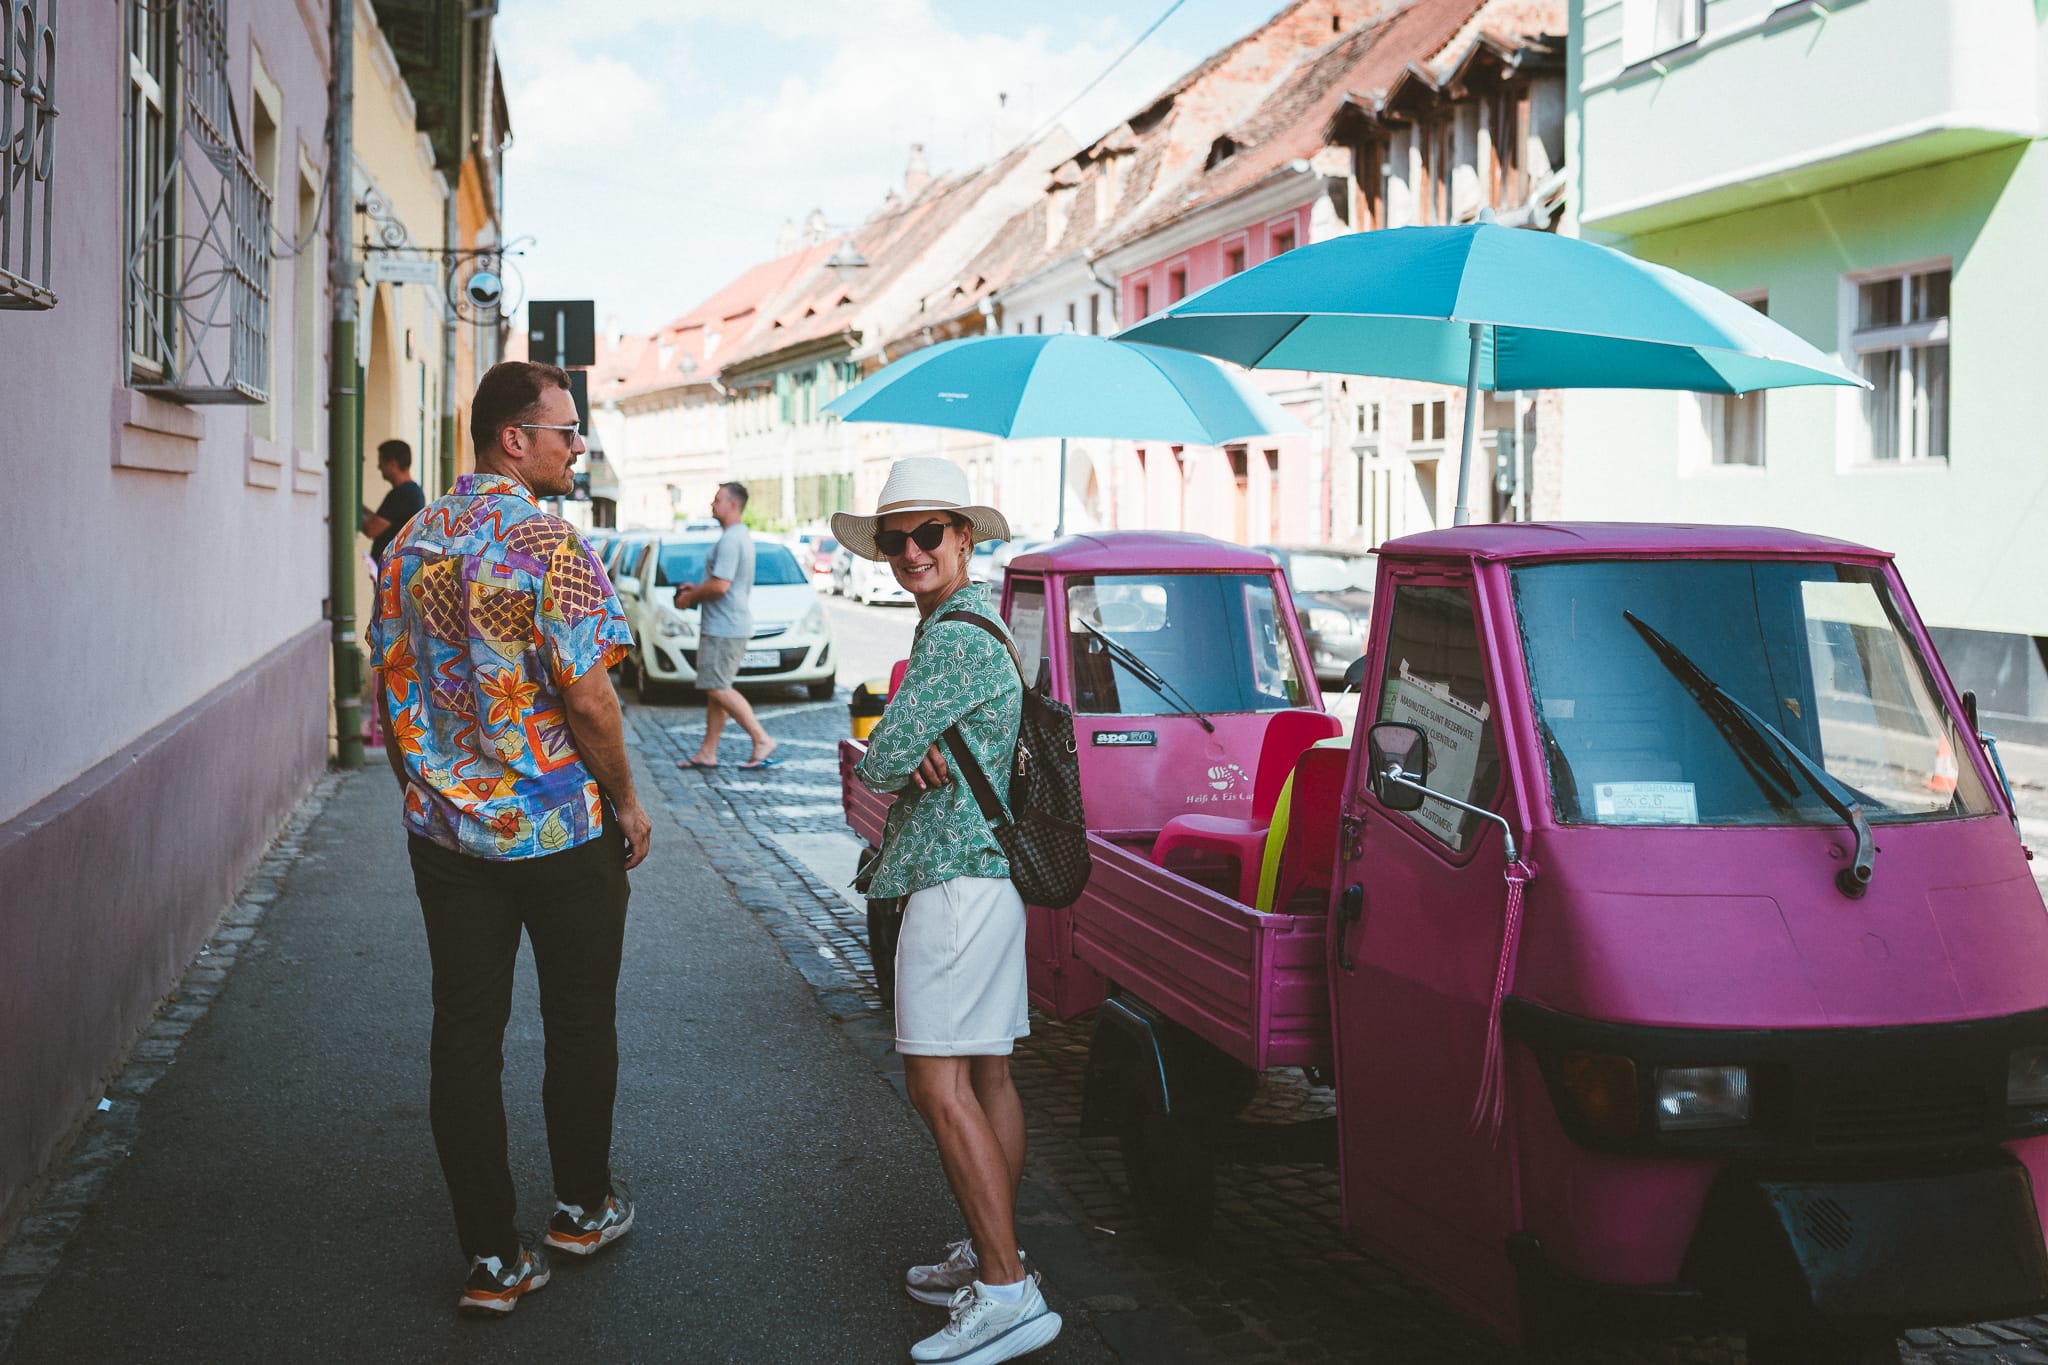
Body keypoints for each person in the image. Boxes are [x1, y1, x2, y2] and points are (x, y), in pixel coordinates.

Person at [369, 360, 652, 1315]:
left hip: (449, 838)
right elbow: (591, 698)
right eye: (567, 431)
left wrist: (428, 789)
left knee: (463, 1037)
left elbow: (391, 688)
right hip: (560, 830)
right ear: (514, 439)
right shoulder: (548, 543)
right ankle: (580, 1209)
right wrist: (627, 802)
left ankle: (491, 1260)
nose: (578, 447)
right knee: (578, 1022)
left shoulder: (408, 542)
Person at [836, 458, 1062, 1365]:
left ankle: (1007, 1292)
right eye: (896, 539)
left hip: (952, 882)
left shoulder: (953, 638)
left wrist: (903, 740)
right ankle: (990, 1248)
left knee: (937, 1083)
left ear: (965, 537)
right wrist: (911, 739)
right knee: (988, 1075)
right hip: (985, 879)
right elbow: (907, 747)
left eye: (929, 533)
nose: (910, 551)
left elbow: (882, 757)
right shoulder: (973, 621)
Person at [674, 481, 780, 769]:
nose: (712, 504)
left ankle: (761, 738)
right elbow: (721, 583)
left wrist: (690, 597)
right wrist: (697, 588)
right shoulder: (736, 536)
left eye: (718, 499)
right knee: (716, 690)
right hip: (727, 624)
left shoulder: (732, 540)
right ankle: (708, 751)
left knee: (717, 687)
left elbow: (721, 585)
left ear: (733, 504)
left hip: (724, 626)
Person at [361, 438, 427, 564]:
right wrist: (358, 506)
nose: (379, 467)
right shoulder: (412, 491)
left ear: (392, 464)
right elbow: (379, 520)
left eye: (381, 462)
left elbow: (372, 529)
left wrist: (347, 507)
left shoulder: (403, 494)